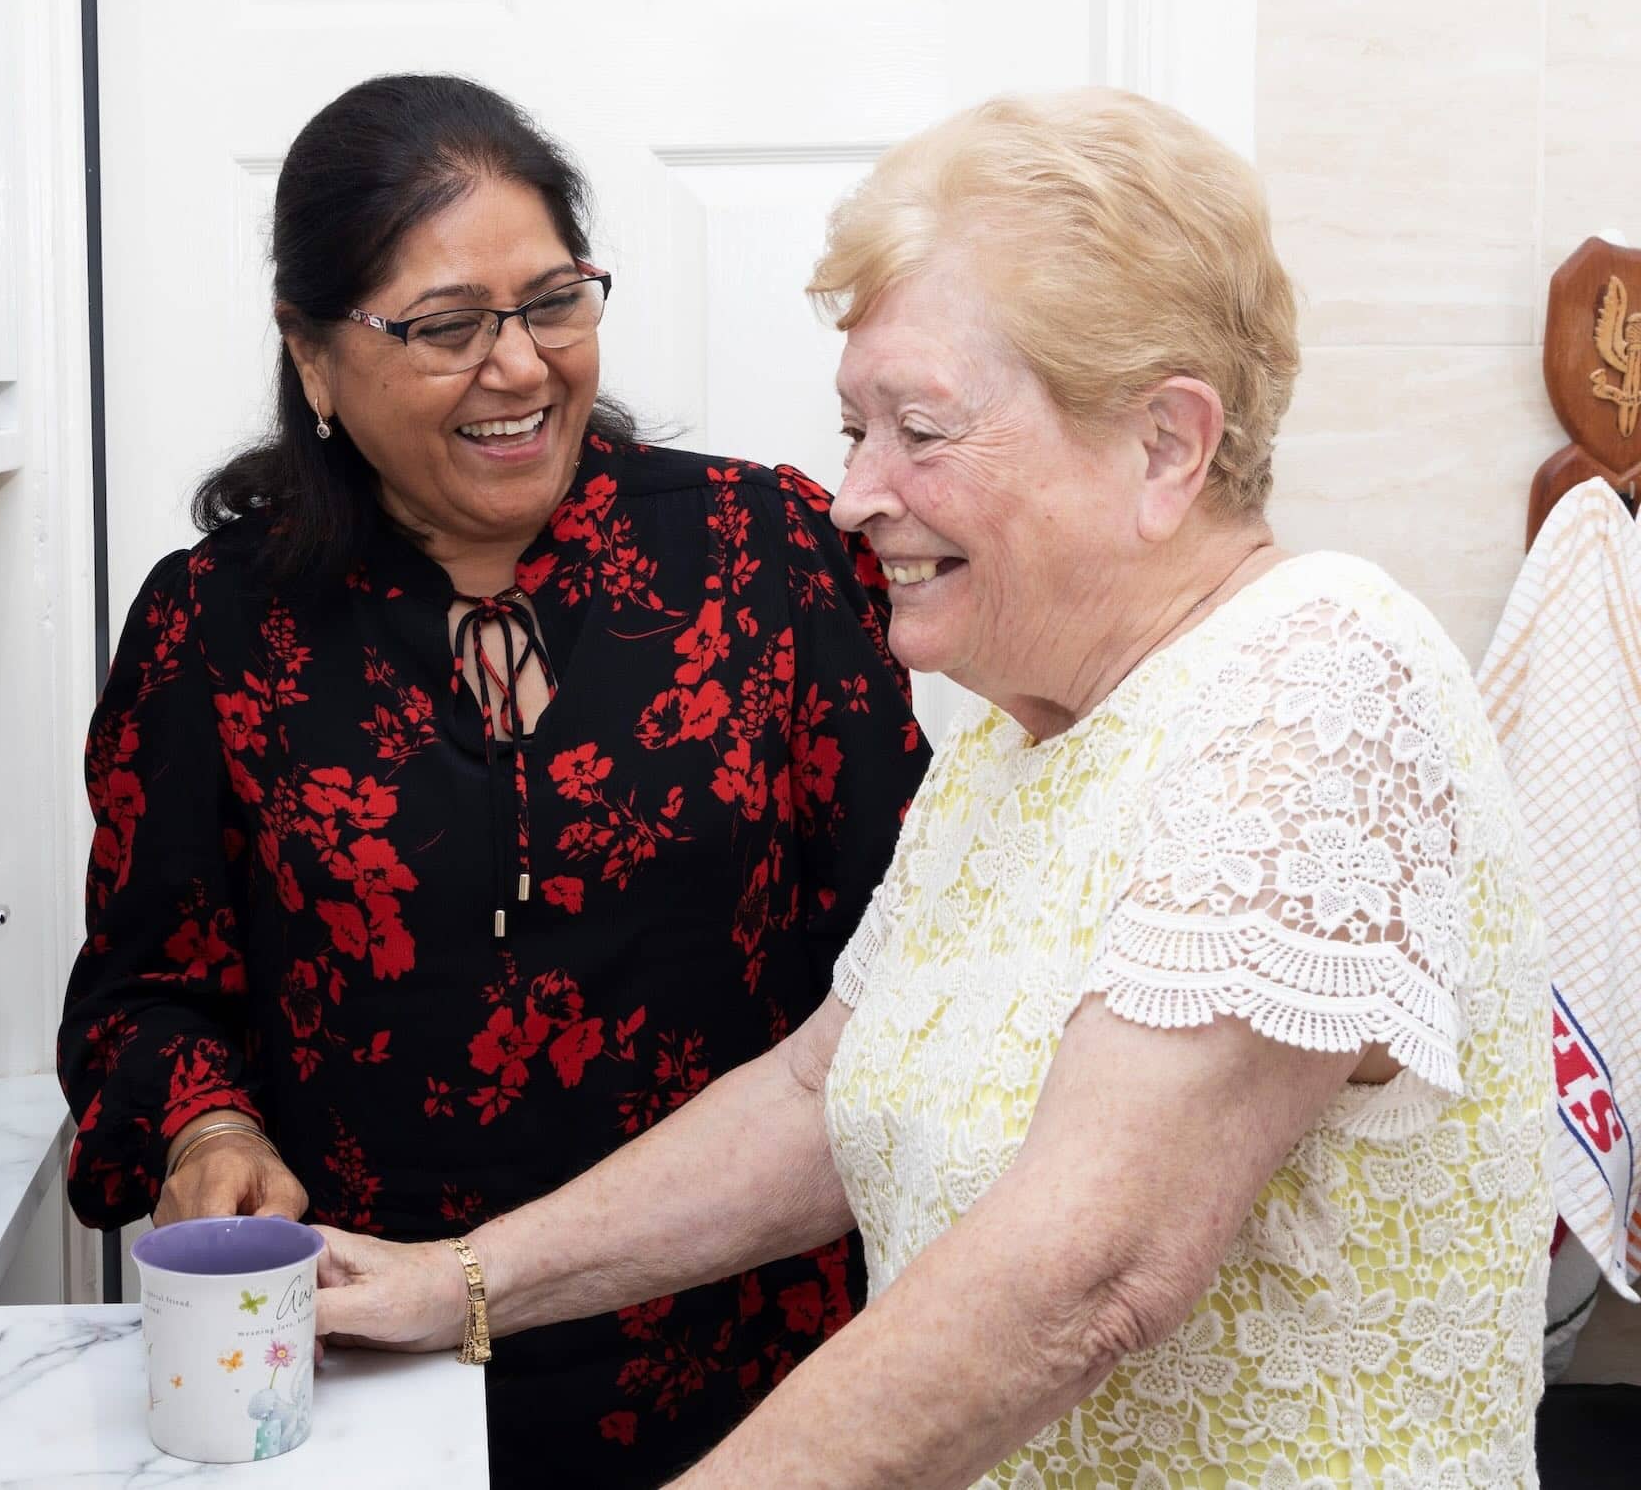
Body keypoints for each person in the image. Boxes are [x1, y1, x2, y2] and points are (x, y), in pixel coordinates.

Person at [312, 89, 1554, 1488]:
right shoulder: (1012, 740)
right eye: (856, 429)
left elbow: (1092, 1271)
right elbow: (816, 1092)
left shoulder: (1321, 675)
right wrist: (452, 1286)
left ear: (1166, 447)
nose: (854, 494)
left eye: (919, 429)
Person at [56, 74, 928, 1488]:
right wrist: (208, 1121)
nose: (519, 367)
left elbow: (911, 960)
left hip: (761, 1384)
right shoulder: (214, 629)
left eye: (553, 303)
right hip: (362, 1377)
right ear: (314, 354)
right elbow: (145, 996)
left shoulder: (764, 559)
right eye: (447, 327)